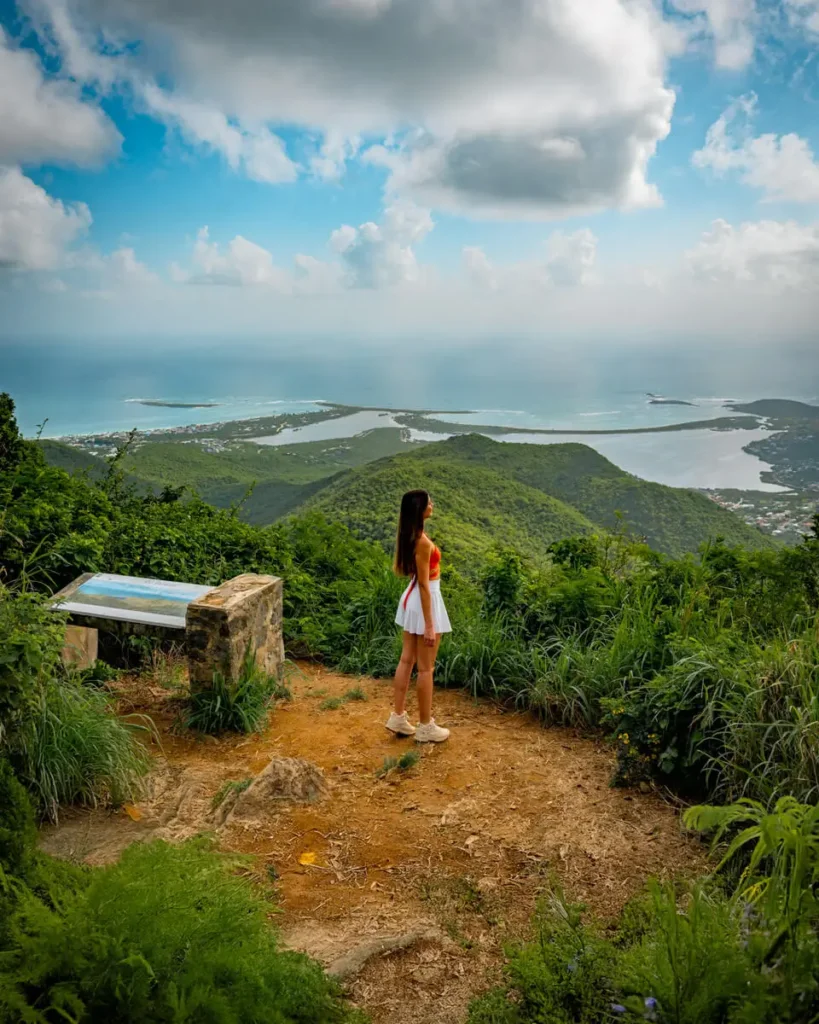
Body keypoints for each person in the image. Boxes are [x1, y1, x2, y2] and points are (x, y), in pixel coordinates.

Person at [385, 489, 451, 743]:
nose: (432, 504)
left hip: (411, 599)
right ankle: (425, 726)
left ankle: (398, 717)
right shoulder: (422, 542)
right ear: (420, 509)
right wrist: (430, 625)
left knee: (406, 660)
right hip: (425, 598)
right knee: (426, 668)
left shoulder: (411, 536)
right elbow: (425, 584)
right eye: (428, 502)